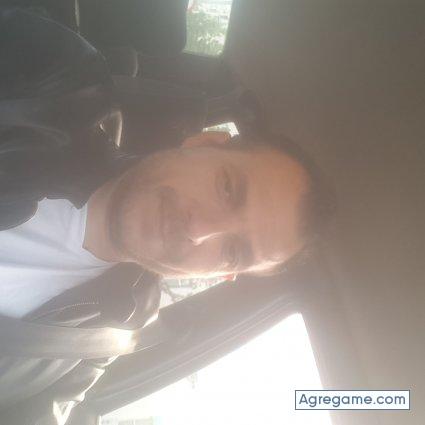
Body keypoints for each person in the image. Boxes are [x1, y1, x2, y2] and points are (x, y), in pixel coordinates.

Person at [0, 7, 335, 425]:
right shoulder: (56, 86)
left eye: (233, 251)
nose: (200, 230)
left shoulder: (104, 337)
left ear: (224, 274)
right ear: (203, 143)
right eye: (227, 189)